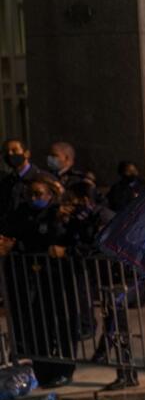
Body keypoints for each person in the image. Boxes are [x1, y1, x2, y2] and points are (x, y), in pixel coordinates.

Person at [0, 178, 79, 386]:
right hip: (29, 278)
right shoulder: (21, 213)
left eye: (38, 194)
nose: (34, 198)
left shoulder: (57, 213)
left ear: (49, 194)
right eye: (30, 194)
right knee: (36, 325)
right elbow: (12, 235)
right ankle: (42, 368)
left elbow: (65, 239)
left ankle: (64, 369)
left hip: (55, 277)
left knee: (59, 323)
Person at [0, 139, 52, 221]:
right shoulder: (6, 182)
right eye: (7, 152)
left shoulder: (44, 178)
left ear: (26, 154)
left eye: (14, 150)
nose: (10, 154)